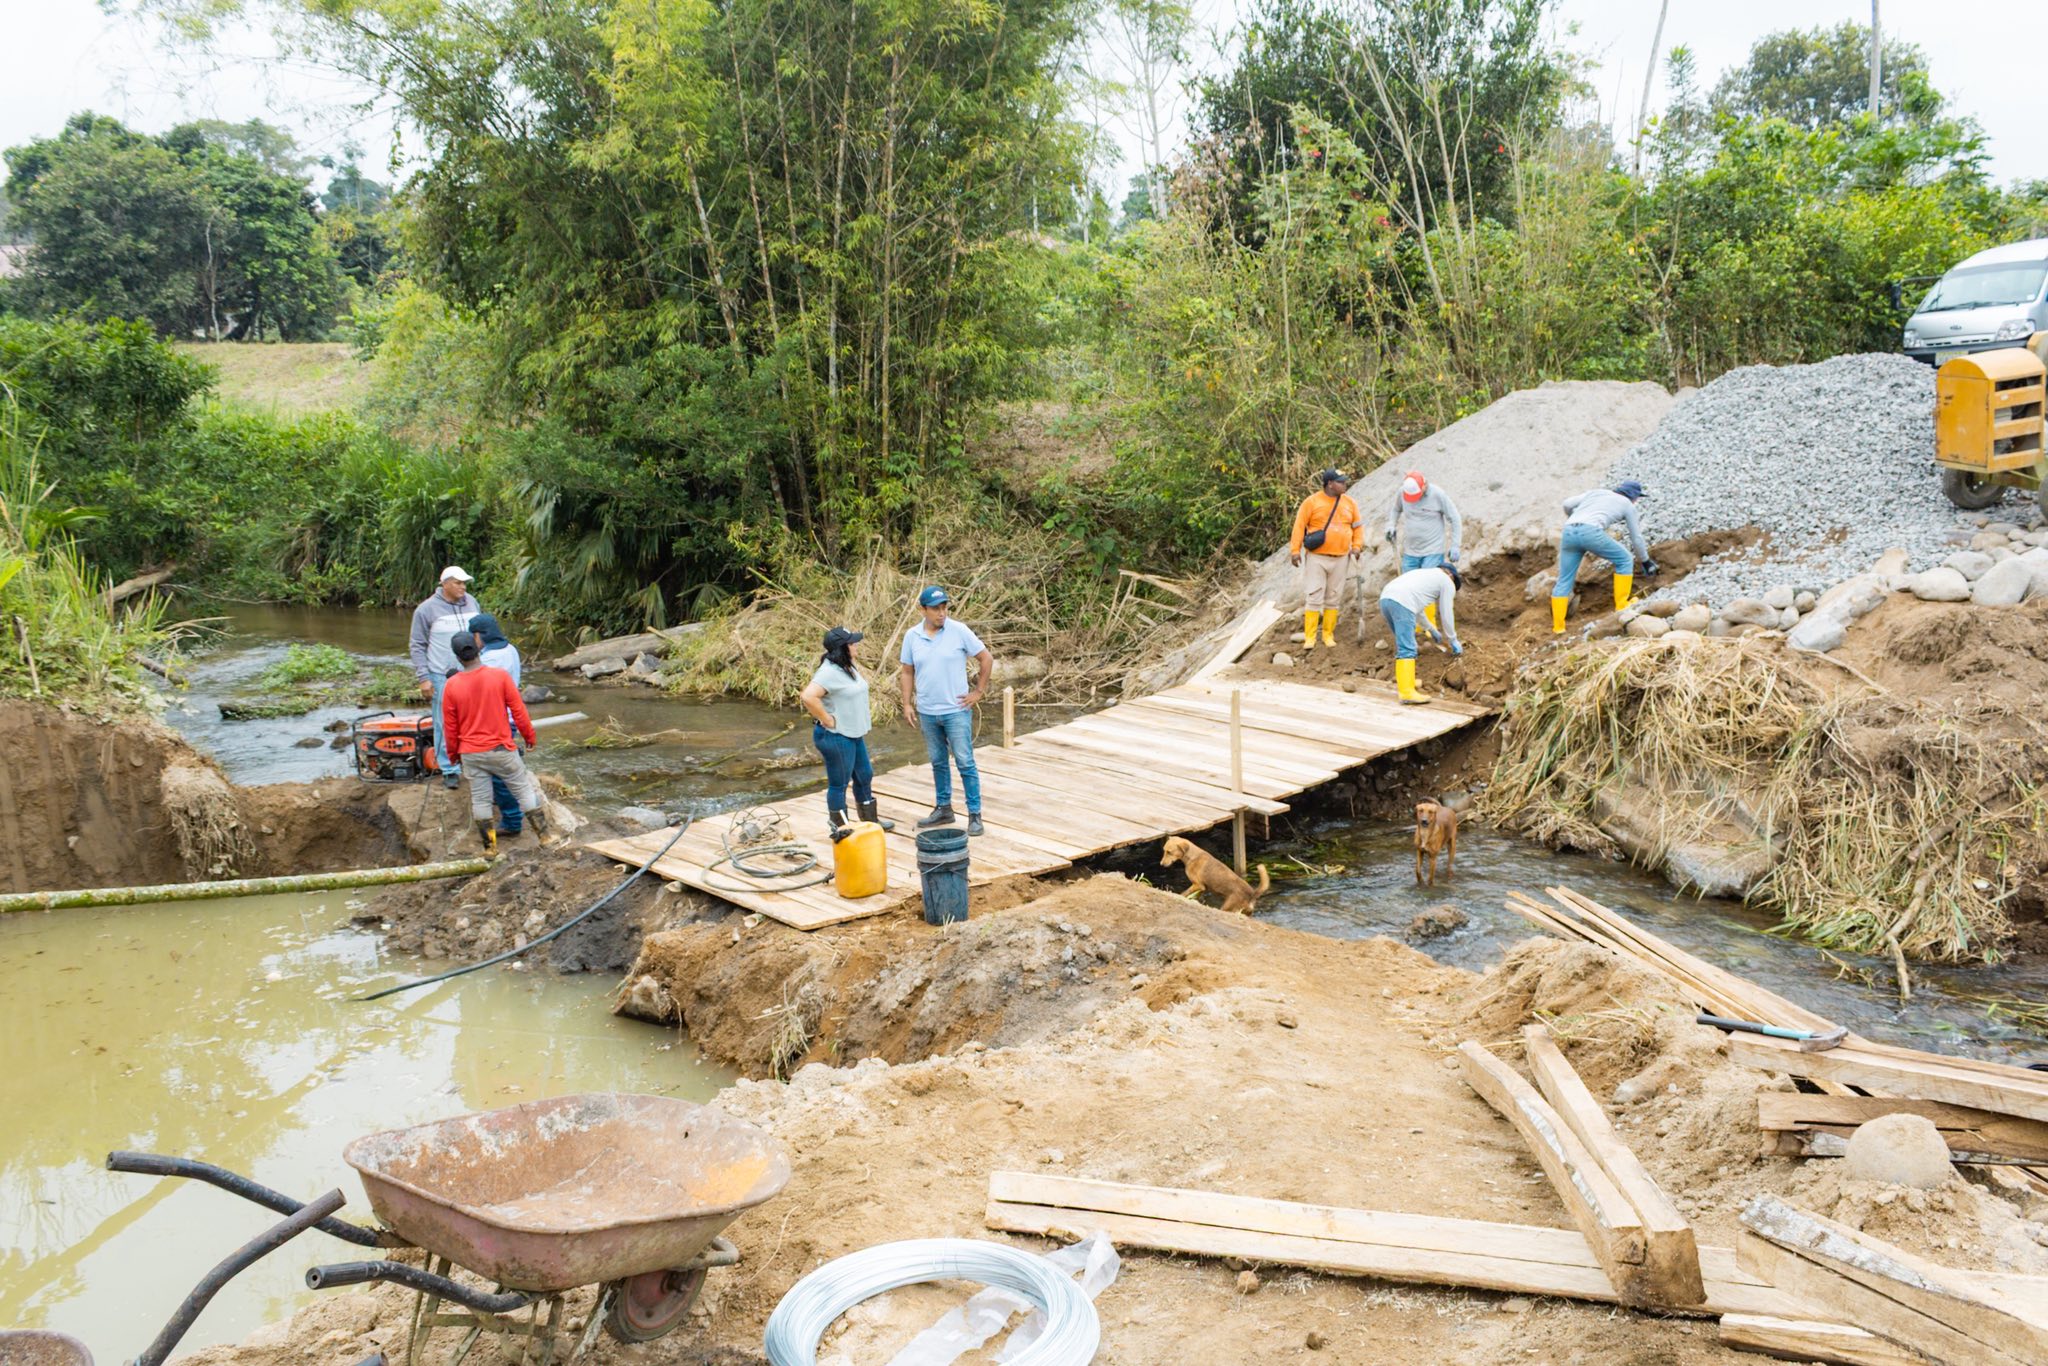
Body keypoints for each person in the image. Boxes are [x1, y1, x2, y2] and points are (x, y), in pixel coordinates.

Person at [440, 630, 558, 854]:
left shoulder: (451, 685)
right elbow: (519, 712)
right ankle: (545, 837)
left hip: (471, 753)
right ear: (479, 648)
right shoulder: (500, 676)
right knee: (523, 791)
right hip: (501, 749)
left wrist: (454, 755)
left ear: (457, 657)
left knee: (481, 800)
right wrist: (529, 737)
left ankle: (490, 849)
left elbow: (450, 727)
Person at [898, 586, 993, 837]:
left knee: (965, 761)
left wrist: (978, 691)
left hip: (956, 709)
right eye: (935, 609)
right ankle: (944, 808)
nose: (941, 613)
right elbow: (907, 671)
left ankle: (974, 814)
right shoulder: (912, 636)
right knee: (938, 761)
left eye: (944, 608)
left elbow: (986, 658)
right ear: (923, 610)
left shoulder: (959, 631)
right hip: (928, 711)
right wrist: (907, 704)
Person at [800, 626, 893, 834]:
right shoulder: (828, 672)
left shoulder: (846, 666)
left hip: (853, 733)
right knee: (839, 784)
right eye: (852, 643)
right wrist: (826, 718)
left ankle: (870, 822)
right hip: (835, 736)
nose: (856, 645)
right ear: (841, 648)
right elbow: (808, 696)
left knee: (864, 775)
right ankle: (841, 829)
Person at [409, 567, 480, 789]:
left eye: (464, 583)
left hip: (472, 672)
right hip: (441, 674)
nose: (463, 587)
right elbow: (417, 645)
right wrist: (424, 678)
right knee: (443, 721)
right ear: (445, 584)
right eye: (458, 583)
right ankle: (449, 768)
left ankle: (473, 761)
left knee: (474, 718)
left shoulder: (472, 602)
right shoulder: (426, 609)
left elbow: (479, 634)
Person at [1551, 480, 1655, 633]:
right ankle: (1622, 604)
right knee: (1625, 559)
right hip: (1591, 532)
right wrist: (1645, 561)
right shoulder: (1627, 504)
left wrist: (1573, 517)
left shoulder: (1597, 492)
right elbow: (1636, 538)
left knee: (1564, 579)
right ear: (1634, 497)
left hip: (1569, 531)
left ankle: (1558, 627)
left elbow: (1567, 503)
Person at [1289, 469, 1364, 650]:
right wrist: (1295, 550)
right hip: (1317, 557)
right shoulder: (1311, 502)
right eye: (1341, 482)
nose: (1345, 485)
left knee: (1333, 597)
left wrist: (1356, 546)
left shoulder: (1350, 503)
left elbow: (1358, 528)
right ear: (1330, 484)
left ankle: (1328, 635)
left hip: (1341, 557)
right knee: (1314, 596)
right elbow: (1299, 526)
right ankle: (1310, 638)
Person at [468, 613, 526, 839]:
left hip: (495, 722)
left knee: (499, 775)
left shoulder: (490, 661)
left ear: (479, 636)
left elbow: (475, 692)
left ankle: (512, 821)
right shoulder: (510, 650)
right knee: (505, 768)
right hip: (508, 718)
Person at [1384, 471, 1462, 632]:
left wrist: (1456, 545)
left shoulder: (1438, 495)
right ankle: (1415, 625)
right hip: (1411, 550)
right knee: (1409, 587)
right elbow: (1395, 510)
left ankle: (1429, 626)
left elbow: (1455, 518)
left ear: (1424, 486)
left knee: (1428, 586)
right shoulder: (1403, 492)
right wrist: (1391, 525)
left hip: (1433, 549)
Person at [1378, 564, 1462, 705]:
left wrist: (1431, 629)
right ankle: (1407, 693)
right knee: (1407, 648)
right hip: (1403, 602)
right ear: (1451, 576)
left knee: (1403, 645)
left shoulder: (1425, 575)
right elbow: (1447, 612)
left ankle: (1408, 682)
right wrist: (1453, 638)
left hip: (1386, 599)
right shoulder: (1447, 581)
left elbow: (1418, 610)